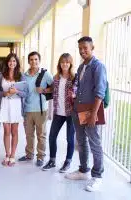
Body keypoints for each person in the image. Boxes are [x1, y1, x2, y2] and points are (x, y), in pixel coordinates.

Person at [65, 36, 107, 192]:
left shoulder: (98, 66)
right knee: (81, 141)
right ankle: (83, 170)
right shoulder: (82, 67)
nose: (82, 51)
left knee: (95, 143)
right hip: (79, 109)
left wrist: (93, 115)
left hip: (91, 111)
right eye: (80, 48)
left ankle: (97, 176)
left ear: (92, 47)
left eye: (85, 48)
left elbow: (100, 92)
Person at [42, 53, 76, 172]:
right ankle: (52, 160)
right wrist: (45, 90)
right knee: (52, 136)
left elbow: (78, 91)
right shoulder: (56, 77)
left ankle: (67, 162)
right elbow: (52, 89)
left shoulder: (74, 78)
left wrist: (74, 94)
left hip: (71, 113)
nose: (65, 64)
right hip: (58, 112)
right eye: (62, 62)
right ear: (59, 64)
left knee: (70, 139)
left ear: (70, 63)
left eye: (67, 62)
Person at [19, 51, 53, 167]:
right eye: (31, 60)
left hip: (41, 109)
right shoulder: (25, 75)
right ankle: (29, 155)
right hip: (27, 109)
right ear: (29, 61)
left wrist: (44, 90)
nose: (34, 62)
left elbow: (54, 87)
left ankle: (41, 156)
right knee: (29, 134)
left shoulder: (45, 74)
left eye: (36, 59)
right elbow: (23, 91)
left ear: (39, 61)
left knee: (41, 134)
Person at [0, 53, 26, 166]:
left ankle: (13, 155)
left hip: (16, 105)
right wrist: (5, 93)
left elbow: (25, 93)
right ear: (7, 62)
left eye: (14, 61)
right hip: (5, 105)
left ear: (17, 63)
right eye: (10, 61)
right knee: (6, 131)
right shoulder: (1, 76)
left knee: (14, 131)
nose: (12, 63)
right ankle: (7, 154)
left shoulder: (21, 76)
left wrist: (16, 92)